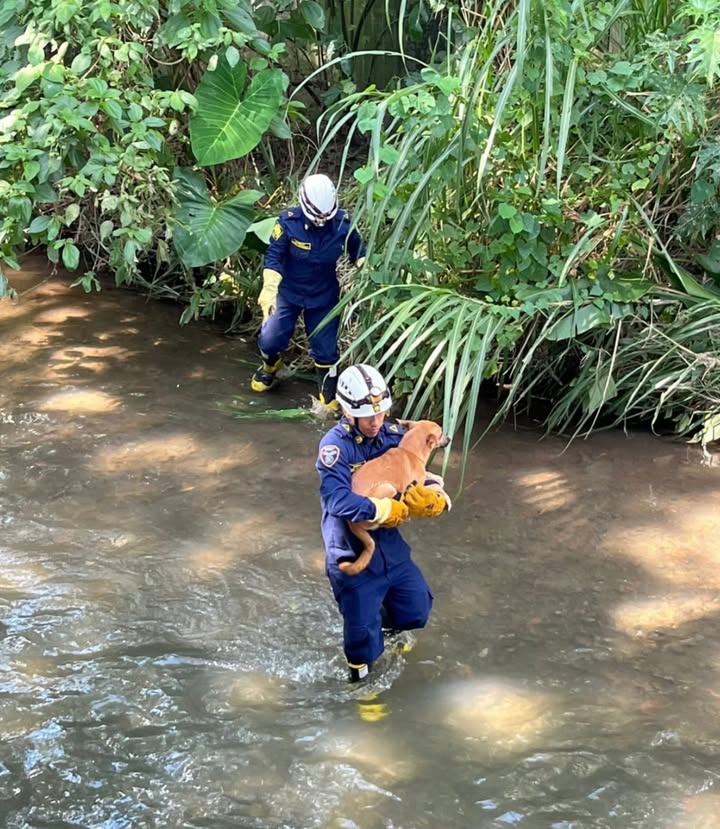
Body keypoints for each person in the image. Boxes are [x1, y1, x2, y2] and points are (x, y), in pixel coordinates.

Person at [316, 364, 449, 682]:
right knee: (361, 636)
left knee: (416, 607)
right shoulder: (335, 447)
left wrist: (437, 498)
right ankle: (361, 685)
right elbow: (336, 501)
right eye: (368, 416)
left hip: (390, 543)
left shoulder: (391, 435)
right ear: (348, 412)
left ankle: (387, 630)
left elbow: (418, 466)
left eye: (381, 413)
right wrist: (380, 509)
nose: (376, 422)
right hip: (349, 546)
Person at [251, 173, 365, 410]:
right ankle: (271, 367)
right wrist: (269, 289)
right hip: (288, 293)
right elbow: (274, 256)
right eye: (316, 218)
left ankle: (328, 395)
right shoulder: (288, 223)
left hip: (323, 296)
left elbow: (358, 251)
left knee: (327, 350)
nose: (321, 223)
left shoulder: (343, 224)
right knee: (270, 337)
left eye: (326, 218)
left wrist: (366, 269)